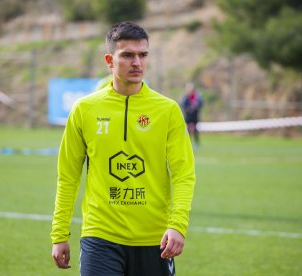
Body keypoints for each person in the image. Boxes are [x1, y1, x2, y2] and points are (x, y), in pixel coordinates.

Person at [51, 21, 196, 276]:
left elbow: (184, 174)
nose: (137, 62)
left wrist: (178, 225)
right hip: (100, 236)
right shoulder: (84, 110)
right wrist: (59, 233)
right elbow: (68, 176)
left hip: (154, 239)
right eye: (127, 55)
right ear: (109, 60)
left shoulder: (168, 110)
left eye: (143, 55)